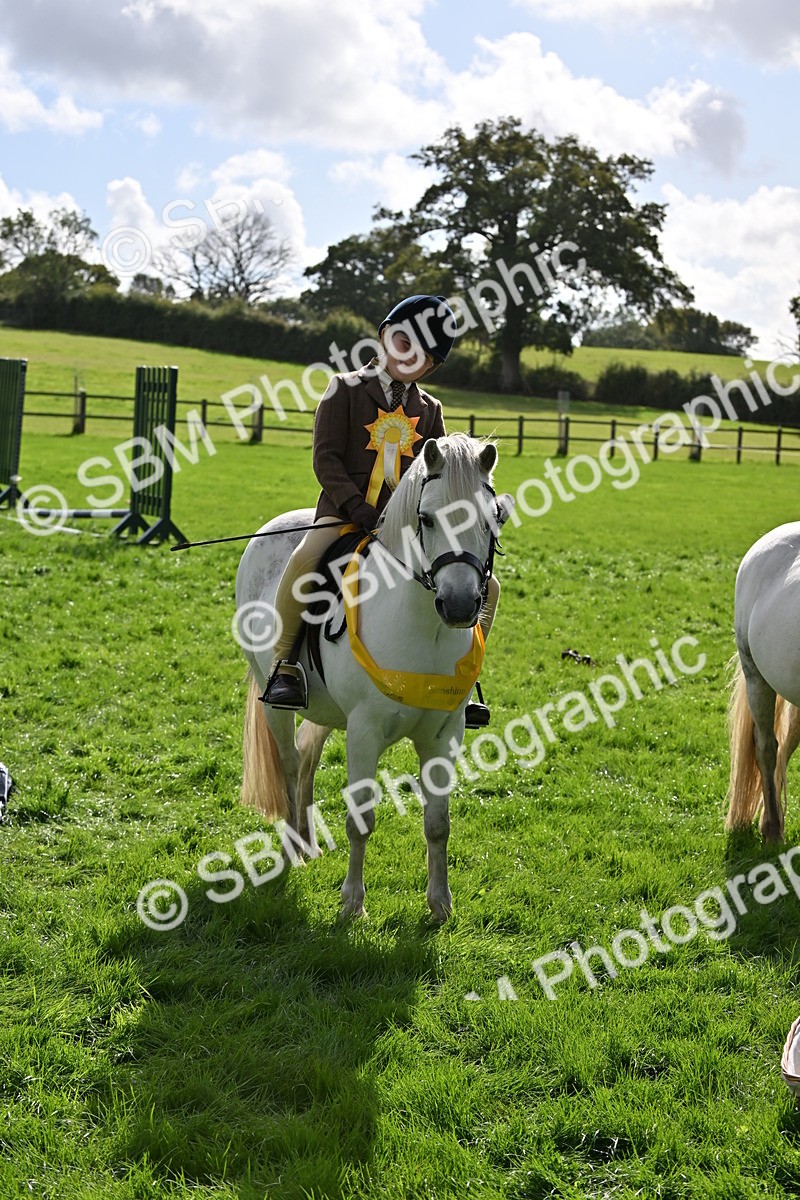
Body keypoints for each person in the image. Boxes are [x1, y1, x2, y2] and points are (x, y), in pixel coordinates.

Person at [262, 294, 500, 726]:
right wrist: (356, 505)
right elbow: (325, 458)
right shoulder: (344, 389)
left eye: (425, 356)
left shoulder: (430, 411)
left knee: (490, 585)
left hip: (405, 530)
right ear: (387, 338)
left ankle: (463, 680)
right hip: (343, 514)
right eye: (405, 344)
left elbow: (441, 473)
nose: (412, 359)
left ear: (431, 366)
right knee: (305, 559)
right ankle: (285, 666)